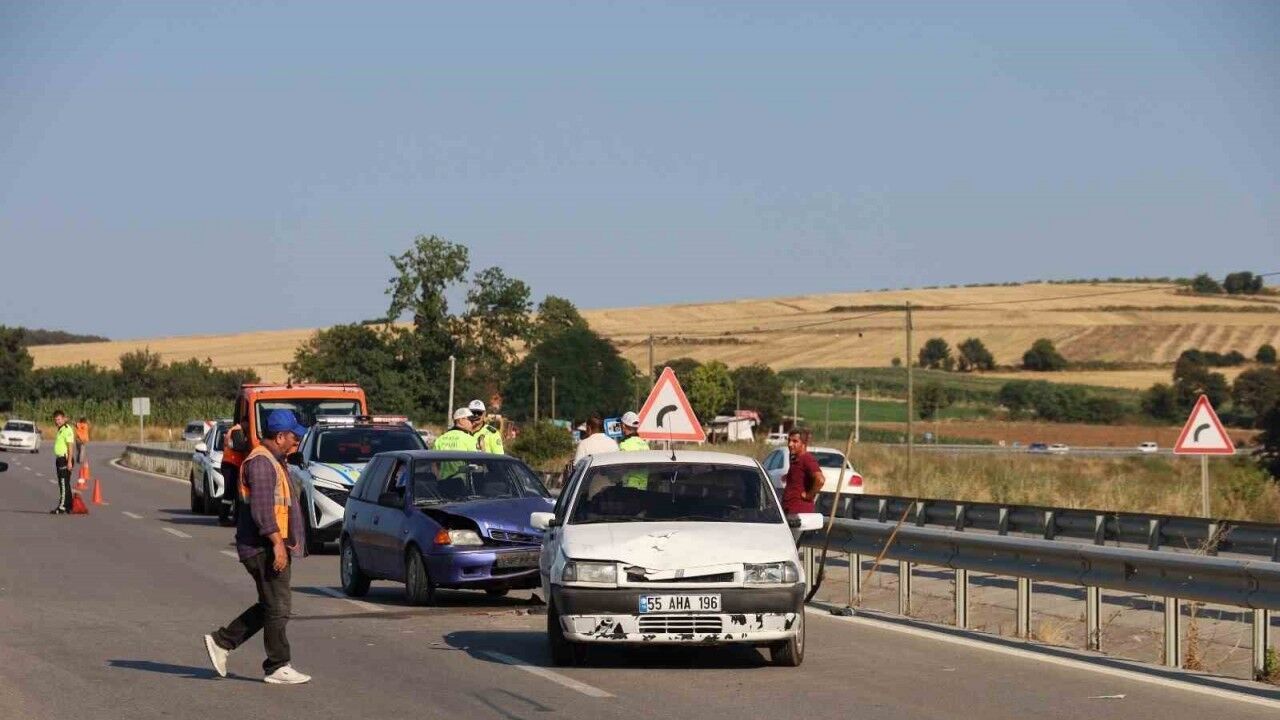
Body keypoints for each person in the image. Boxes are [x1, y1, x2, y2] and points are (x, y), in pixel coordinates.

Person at [203, 410, 311, 685]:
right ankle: (277, 665)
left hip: (268, 545)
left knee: (269, 605)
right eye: (294, 437)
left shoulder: (273, 460)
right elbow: (263, 512)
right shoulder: (262, 463)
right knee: (279, 606)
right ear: (280, 436)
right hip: (264, 547)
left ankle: (222, 642)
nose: (297, 442)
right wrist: (277, 545)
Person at [780, 428, 824, 515]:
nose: (790, 444)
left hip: (799, 512)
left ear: (804, 443)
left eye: (795, 441)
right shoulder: (796, 459)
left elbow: (820, 480)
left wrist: (809, 495)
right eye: (789, 441)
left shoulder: (807, 459)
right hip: (790, 510)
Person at [49, 411, 76, 514]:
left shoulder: (67, 429)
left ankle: (62, 507)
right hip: (60, 459)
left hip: (65, 459)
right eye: (56, 420)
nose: (57, 421)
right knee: (65, 483)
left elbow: (70, 446)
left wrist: (69, 462)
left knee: (63, 483)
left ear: (64, 419)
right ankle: (69, 506)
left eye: (59, 419)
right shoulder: (60, 429)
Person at [617, 411, 650, 489]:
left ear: (623, 426)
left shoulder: (624, 445)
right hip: (643, 488)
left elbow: (619, 470)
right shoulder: (645, 445)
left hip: (628, 488)